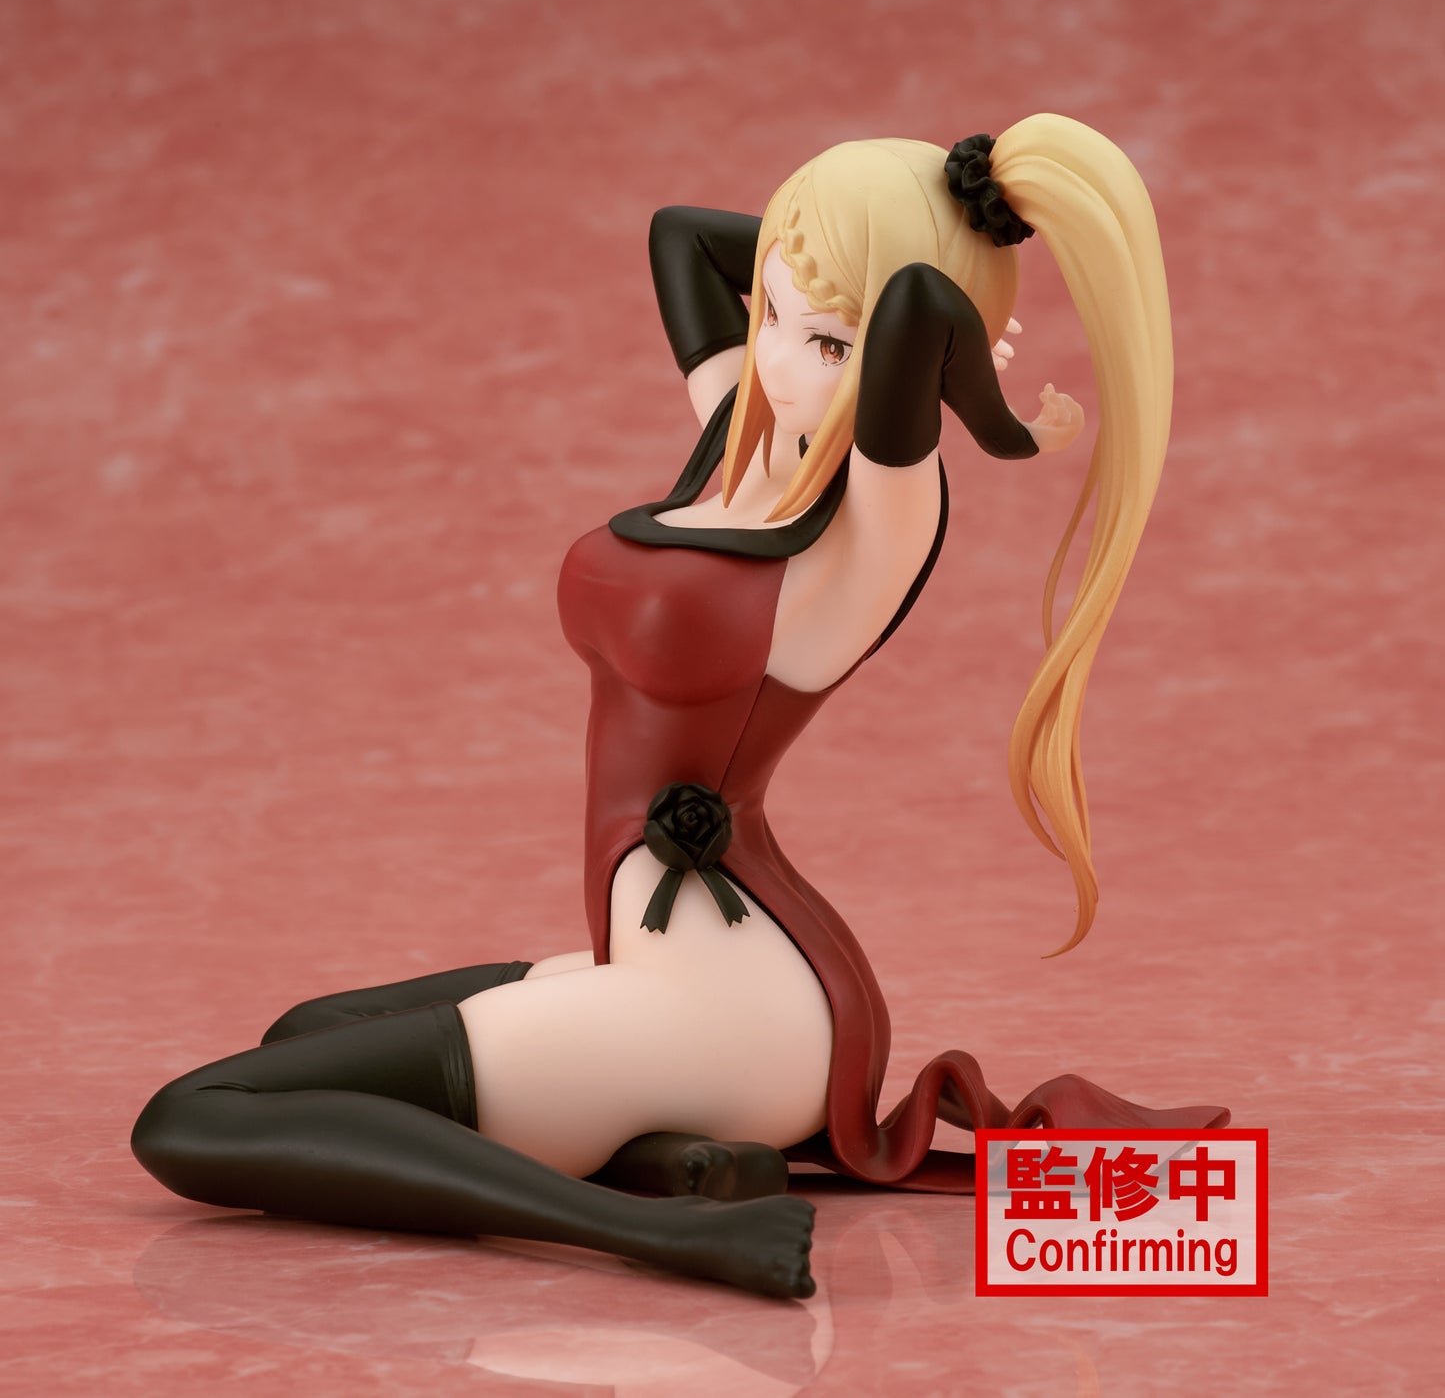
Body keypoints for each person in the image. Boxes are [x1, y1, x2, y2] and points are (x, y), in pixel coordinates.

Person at [131, 115, 1228, 1301]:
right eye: (774, 314)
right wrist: (813, 258)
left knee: (194, 1116)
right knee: (305, 1036)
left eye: (827, 340)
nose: (780, 358)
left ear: (907, 363)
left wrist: (989, 405)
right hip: (661, 952)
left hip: (725, 1004)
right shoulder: (737, 444)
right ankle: (687, 1166)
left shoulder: (871, 525)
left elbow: (914, 299)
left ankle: (661, 1235)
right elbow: (682, 238)